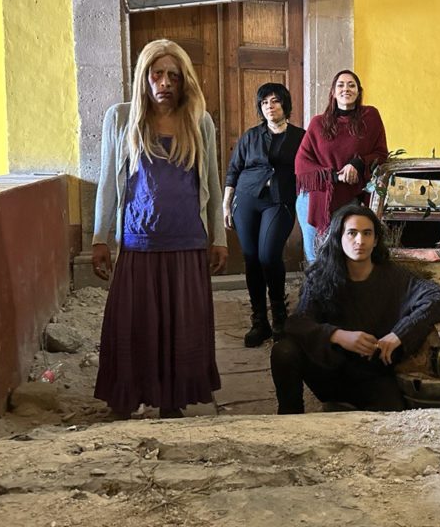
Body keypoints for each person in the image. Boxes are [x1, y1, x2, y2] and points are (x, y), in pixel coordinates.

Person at [92, 39, 228, 419]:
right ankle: (125, 400)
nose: (164, 82)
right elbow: (107, 182)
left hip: (186, 242)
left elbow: (212, 184)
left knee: (181, 329)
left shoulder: (199, 121)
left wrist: (218, 238)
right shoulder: (120, 119)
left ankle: (172, 402)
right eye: (157, 74)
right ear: (144, 77)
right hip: (138, 243)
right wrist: (99, 238)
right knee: (133, 327)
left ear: (184, 80)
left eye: (173, 75)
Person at [270, 204, 440, 414]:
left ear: (376, 240)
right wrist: (338, 336)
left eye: (367, 233)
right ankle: (290, 418)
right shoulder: (321, 277)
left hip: (372, 374)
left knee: (392, 416)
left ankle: (347, 407)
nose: (360, 241)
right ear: (339, 237)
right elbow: (297, 323)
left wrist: (400, 334)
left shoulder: (394, 276)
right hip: (328, 371)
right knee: (284, 351)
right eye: (352, 233)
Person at [222, 83, 306, 347]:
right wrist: (226, 204)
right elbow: (234, 170)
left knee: (268, 255)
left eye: (275, 101)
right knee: (251, 259)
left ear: (285, 104)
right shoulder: (251, 136)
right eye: (265, 102)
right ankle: (259, 321)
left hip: (279, 202)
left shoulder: (300, 137)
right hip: (247, 199)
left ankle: (279, 314)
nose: (270, 106)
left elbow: (310, 168)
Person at [294, 70, 388, 262]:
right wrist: (334, 176)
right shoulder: (318, 123)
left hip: (349, 197)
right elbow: (301, 163)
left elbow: (381, 154)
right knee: (316, 257)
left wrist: (358, 163)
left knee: (346, 256)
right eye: (341, 85)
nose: (346, 89)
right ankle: (318, 283)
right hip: (315, 197)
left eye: (351, 85)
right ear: (333, 92)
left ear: (359, 92)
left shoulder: (370, 117)